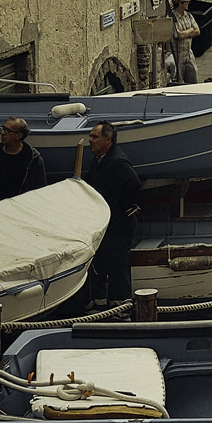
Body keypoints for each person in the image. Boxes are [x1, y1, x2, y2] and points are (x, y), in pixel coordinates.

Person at [82, 123, 140, 308]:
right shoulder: (98, 160)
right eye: (90, 136)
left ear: (108, 140)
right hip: (103, 225)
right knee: (98, 264)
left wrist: (123, 206)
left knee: (118, 267)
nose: (90, 140)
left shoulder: (117, 161)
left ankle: (120, 307)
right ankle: (98, 304)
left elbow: (133, 183)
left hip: (118, 226)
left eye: (95, 137)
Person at [169, 0, 201, 84]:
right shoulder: (173, 18)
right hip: (177, 57)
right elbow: (179, 35)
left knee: (194, 82)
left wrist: (187, 32)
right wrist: (190, 30)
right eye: (186, 2)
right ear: (180, 4)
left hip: (189, 55)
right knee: (179, 83)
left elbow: (197, 31)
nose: (188, 4)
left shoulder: (188, 16)